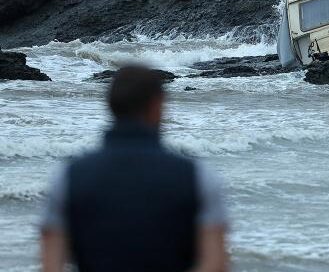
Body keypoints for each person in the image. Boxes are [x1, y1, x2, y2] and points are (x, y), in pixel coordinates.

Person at [40, 66, 229, 272]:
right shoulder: (197, 176)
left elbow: (51, 266)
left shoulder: (69, 176)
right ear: (157, 105)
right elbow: (215, 264)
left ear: (110, 106)